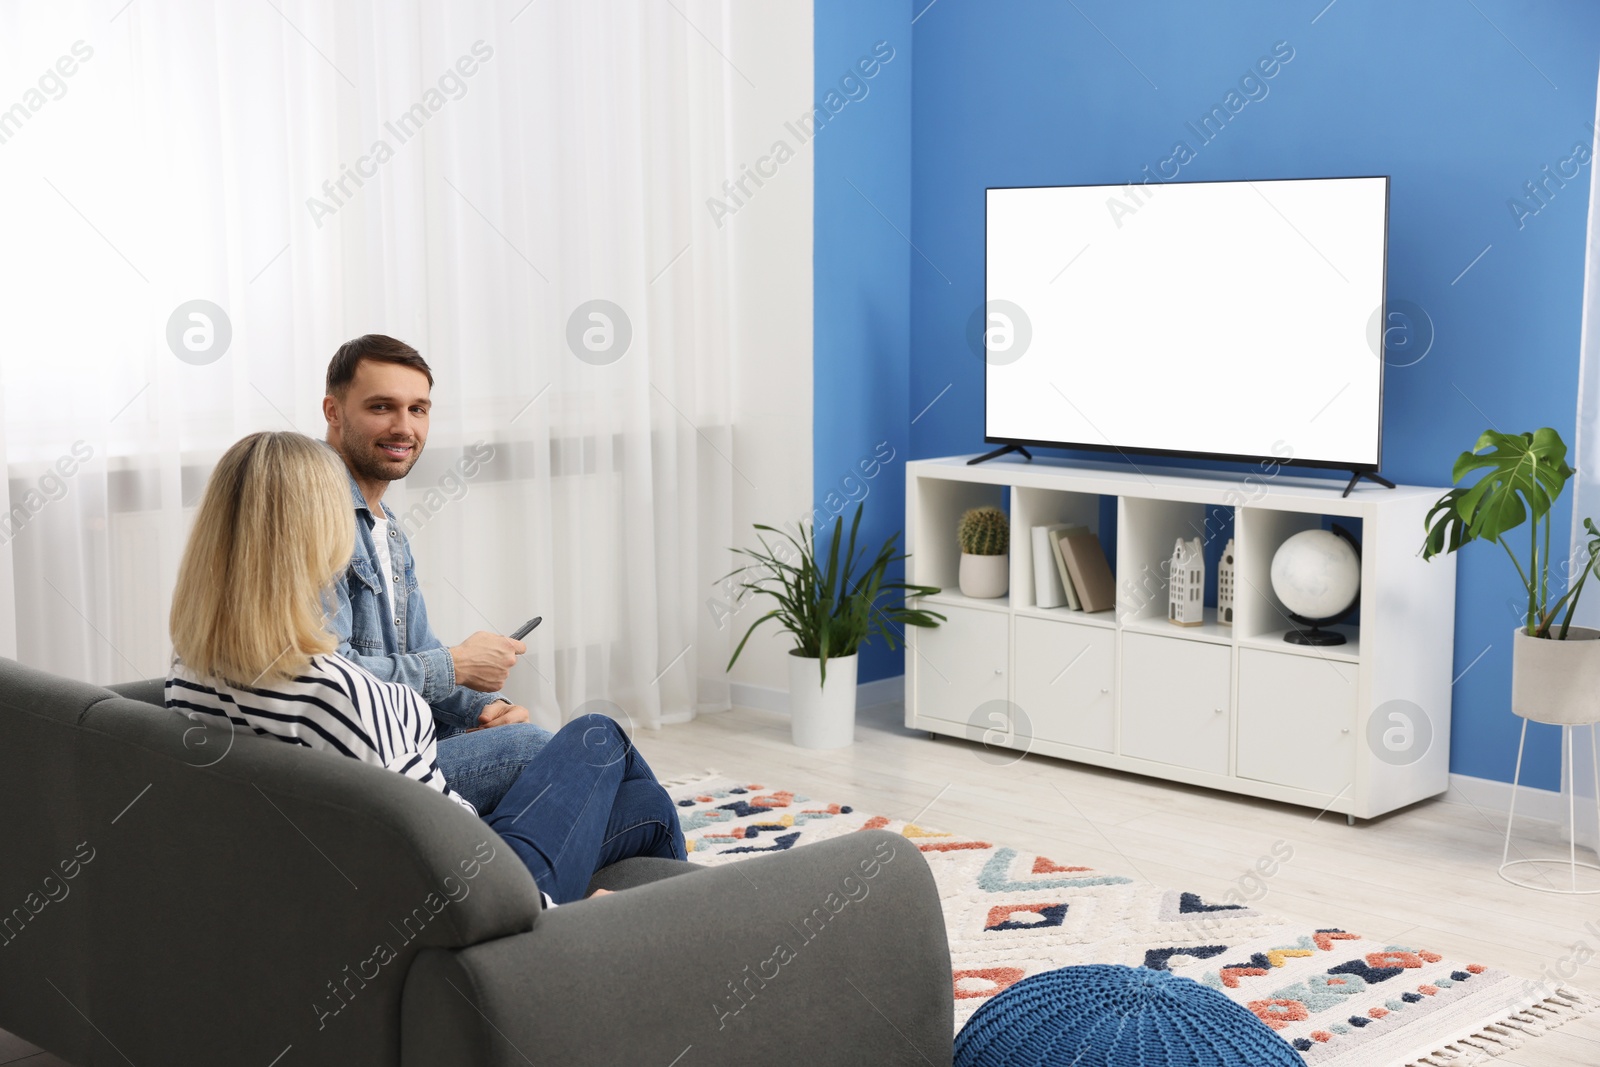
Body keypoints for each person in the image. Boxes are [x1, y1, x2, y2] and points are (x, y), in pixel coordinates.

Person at [163, 432, 685, 905]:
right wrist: (568, 917)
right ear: (320, 536)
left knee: (643, 802)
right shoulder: (341, 697)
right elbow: (460, 864)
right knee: (599, 738)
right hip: (470, 909)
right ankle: (681, 937)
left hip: (317, 881)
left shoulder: (190, 671)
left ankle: (675, 924)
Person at [320, 334, 551, 815]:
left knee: (607, 776)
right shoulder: (318, 517)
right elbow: (328, 681)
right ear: (334, 411)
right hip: (363, 770)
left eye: (418, 409)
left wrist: (485, 709)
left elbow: (416, 653)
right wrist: (458, 663)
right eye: (382, 407)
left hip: (397, 743)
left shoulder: (390, 531)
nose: (404, 427)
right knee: (577, 749)